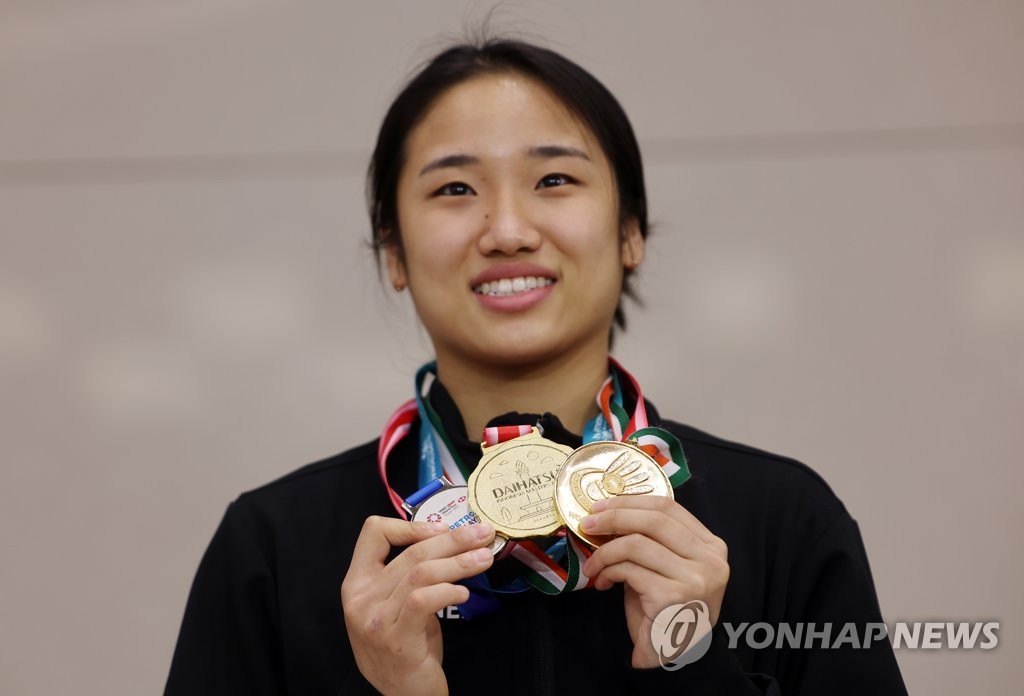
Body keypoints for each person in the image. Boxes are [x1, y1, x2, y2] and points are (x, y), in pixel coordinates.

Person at [165, 37, 907, 695]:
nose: (510, 231)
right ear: (393, 251)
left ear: (630, 232)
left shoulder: (783, 519)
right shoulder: (272, 546)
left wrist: (689, 669)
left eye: (554, 180)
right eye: (455, 189)